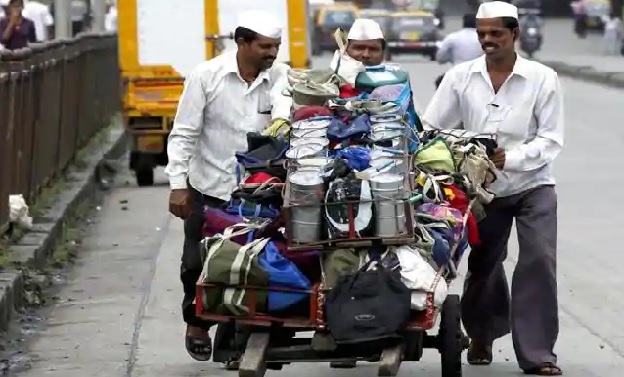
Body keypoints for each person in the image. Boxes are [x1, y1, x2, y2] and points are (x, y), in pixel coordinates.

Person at [423, 1, 563, 376]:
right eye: (482, 34)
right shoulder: (460, 77)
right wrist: (466, 145)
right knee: (484, 266)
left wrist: (510, 158)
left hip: (534, 183)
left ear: (514, 34)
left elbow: (551, 140)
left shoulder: (542, 78)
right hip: (481, 189)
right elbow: (431, 128)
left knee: (539, 261)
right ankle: (481, 333)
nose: (487, 40)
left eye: (496, 34)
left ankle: (538, 355)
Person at [164, 9, 290, 364]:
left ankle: (236, 346)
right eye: (265, 46)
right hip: (210, 186)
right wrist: (178, 185)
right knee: (196, 264)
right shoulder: (207, 76)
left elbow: (285, 115)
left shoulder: (281, 77)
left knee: (251, 267)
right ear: (242, 43)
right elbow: (184, 133)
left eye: (276, 46)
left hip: (260, 193)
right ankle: (196, 323)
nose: (272, 53)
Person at [434, 13, 483, 87]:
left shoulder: (453, 37)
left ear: (463, 23)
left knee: (439, 83)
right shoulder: (484, 39)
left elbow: (440, 58)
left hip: (457, 75)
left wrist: (451, 57)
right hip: (479, 76)